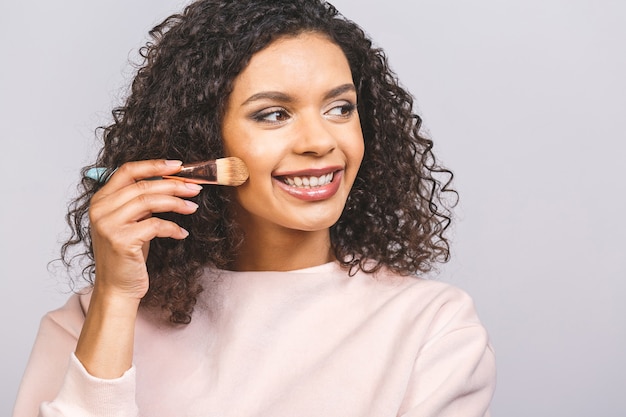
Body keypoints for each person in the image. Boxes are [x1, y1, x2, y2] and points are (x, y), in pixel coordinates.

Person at [13, 0, 496, 415]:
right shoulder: (87, 322)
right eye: (274, 114)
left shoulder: (431, 328)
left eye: (340, 108)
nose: (319, 141)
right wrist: (116, 301)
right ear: (202, 139)